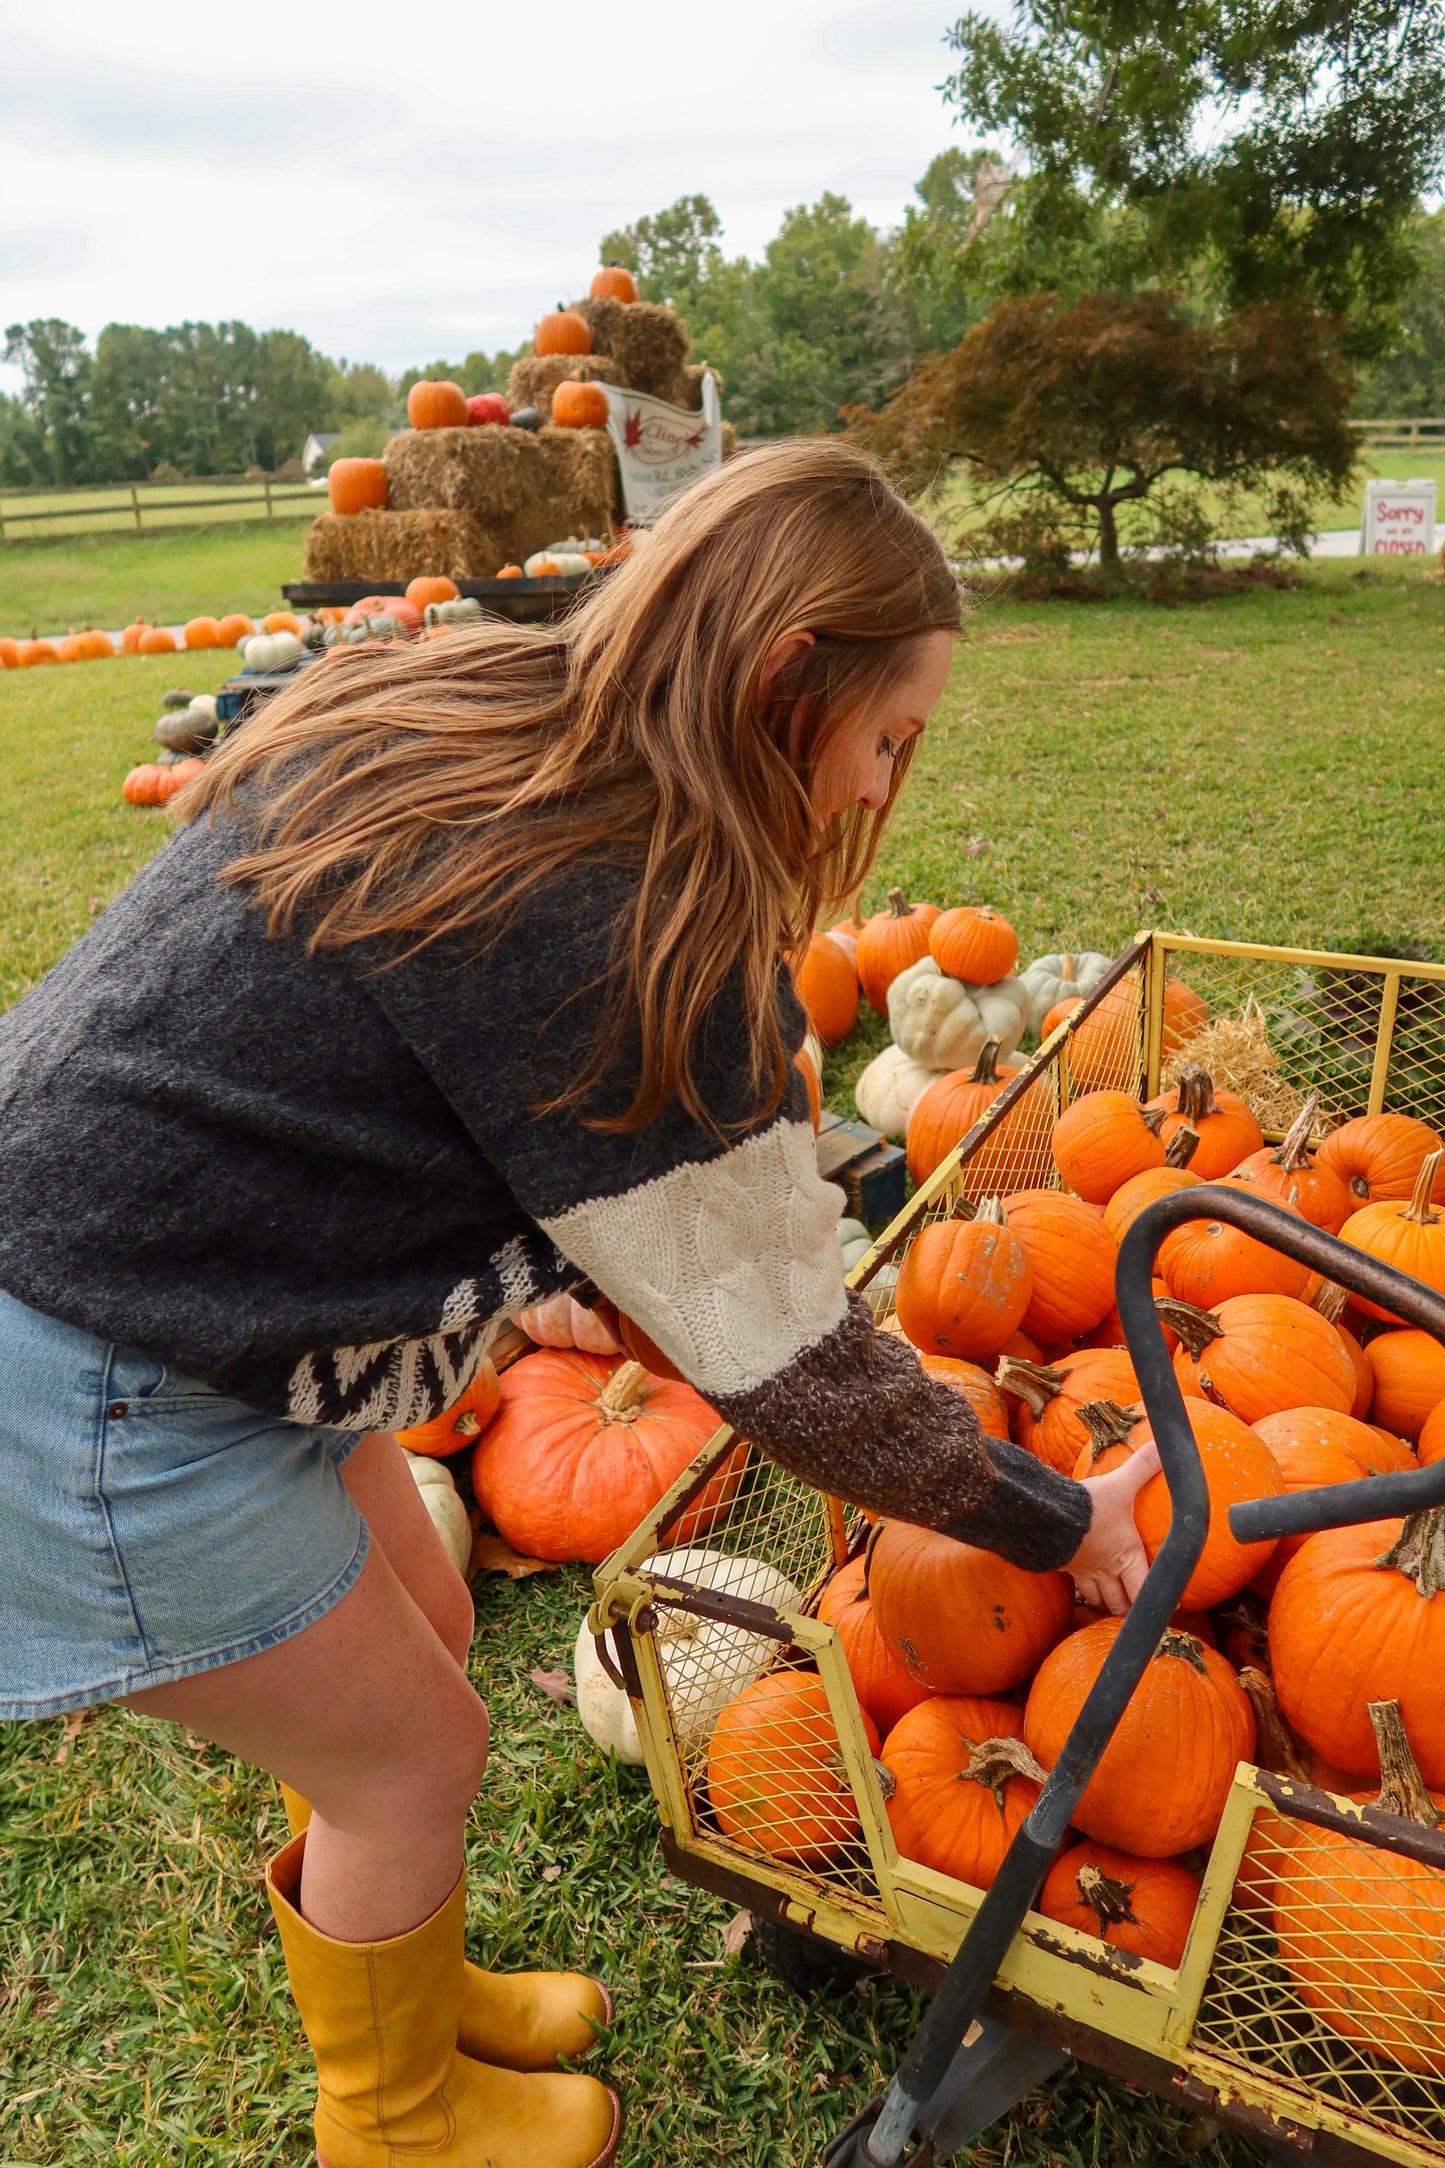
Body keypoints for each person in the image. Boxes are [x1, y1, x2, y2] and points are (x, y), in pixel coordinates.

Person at [0, 441, 1159, 2168]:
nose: (875, 781)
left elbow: (406, 1086)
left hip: (153, 1301)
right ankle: (397, 2122)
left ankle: (413, 1984)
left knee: (428, 1633)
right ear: (783, 676)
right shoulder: (625, 918)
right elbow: (791, 1359)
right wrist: (1048, 1513)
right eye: (887, 736)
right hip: (100, 1382)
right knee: (414, 1760)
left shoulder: (466, 690)